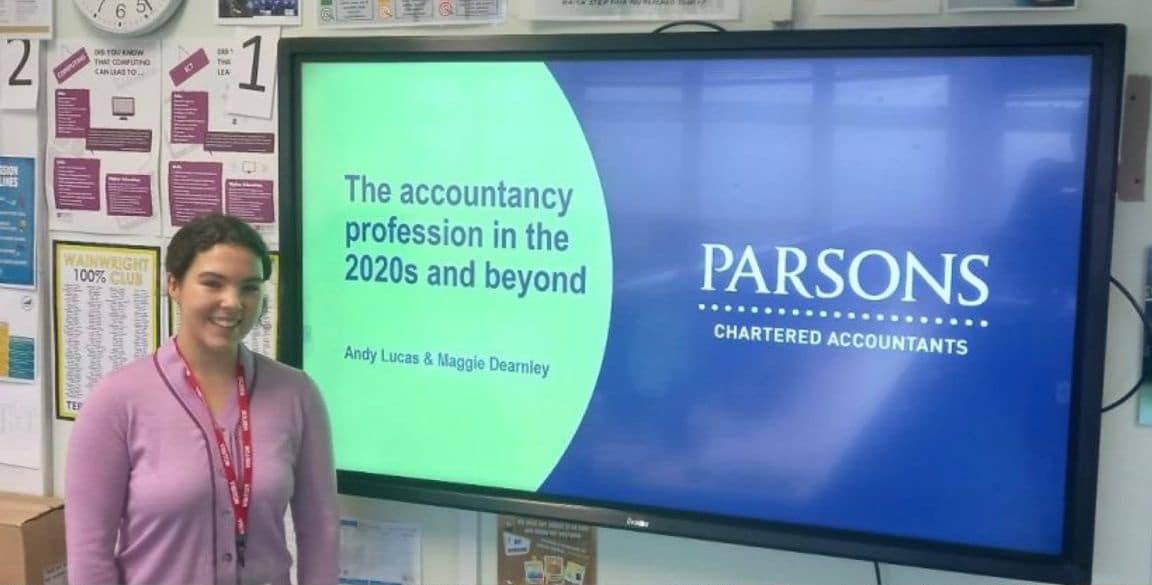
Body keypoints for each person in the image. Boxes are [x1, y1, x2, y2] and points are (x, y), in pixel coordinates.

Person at [65, 213, 339, 585]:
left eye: (249, 288)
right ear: (174, 285)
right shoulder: (116, 403)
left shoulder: (297, 395)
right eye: (213, 283)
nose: (233, 302)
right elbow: (89, 558)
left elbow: (320, 532)